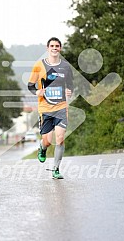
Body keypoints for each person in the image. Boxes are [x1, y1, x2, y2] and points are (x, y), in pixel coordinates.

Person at [28, 37, 73, 179]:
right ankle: (42, 148)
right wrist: (37, 92)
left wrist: (69, 91)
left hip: (61, 107)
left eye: (57, 46)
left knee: (60, 138)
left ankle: (56, 170)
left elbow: (70, 84)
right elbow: (30, 85)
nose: (54, 48)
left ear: (60, 48)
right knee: (47, 140)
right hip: (45, 108)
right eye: (52, 45)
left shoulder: (66, 67)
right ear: (47, 48)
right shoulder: (39, 65)